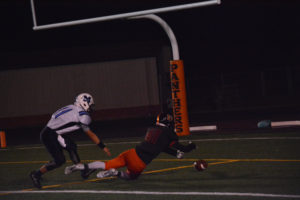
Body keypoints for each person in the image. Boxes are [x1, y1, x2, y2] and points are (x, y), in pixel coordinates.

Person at [64, 113, 196, 180]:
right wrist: (192, 146)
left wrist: (174, 153)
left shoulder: (151, 129)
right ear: (167, 123)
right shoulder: (168, 133)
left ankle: (78, 167)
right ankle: (115, 173)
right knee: (131, 177)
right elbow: (181, 148)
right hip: (140, 162)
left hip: (131, 152)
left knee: (105, 164)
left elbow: (160, 146)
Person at [29, 93, 111, 189]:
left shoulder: (71, 107)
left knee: (71, 146)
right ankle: (36, 174)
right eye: (90, 105)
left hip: (54, 132)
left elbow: (55, 117)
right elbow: (90, 134)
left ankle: (83, 171)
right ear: (84, 103)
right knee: (59, 161)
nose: (91, 108)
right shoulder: (83, 116)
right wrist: (102, 146)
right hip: (49, 135)